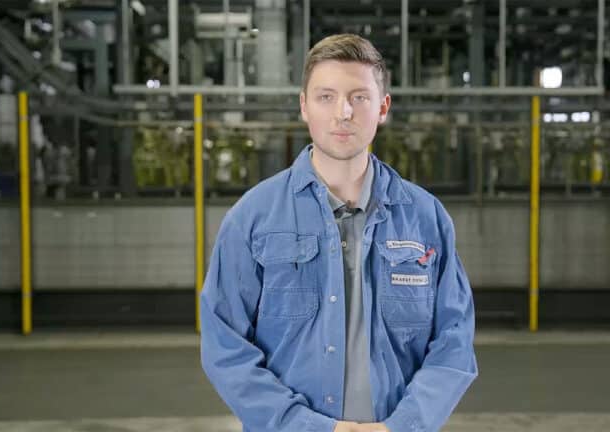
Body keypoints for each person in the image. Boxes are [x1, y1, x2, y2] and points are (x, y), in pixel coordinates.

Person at [200, 34, 478, 432]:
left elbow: (454, 341)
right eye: (326, 97)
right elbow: (223, 347)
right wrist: (307, 426)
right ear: (303, 106)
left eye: (359, 97)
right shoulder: (253, 218)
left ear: (383, 108)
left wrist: (404, 425)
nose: (343, 112)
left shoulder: (425, 217)